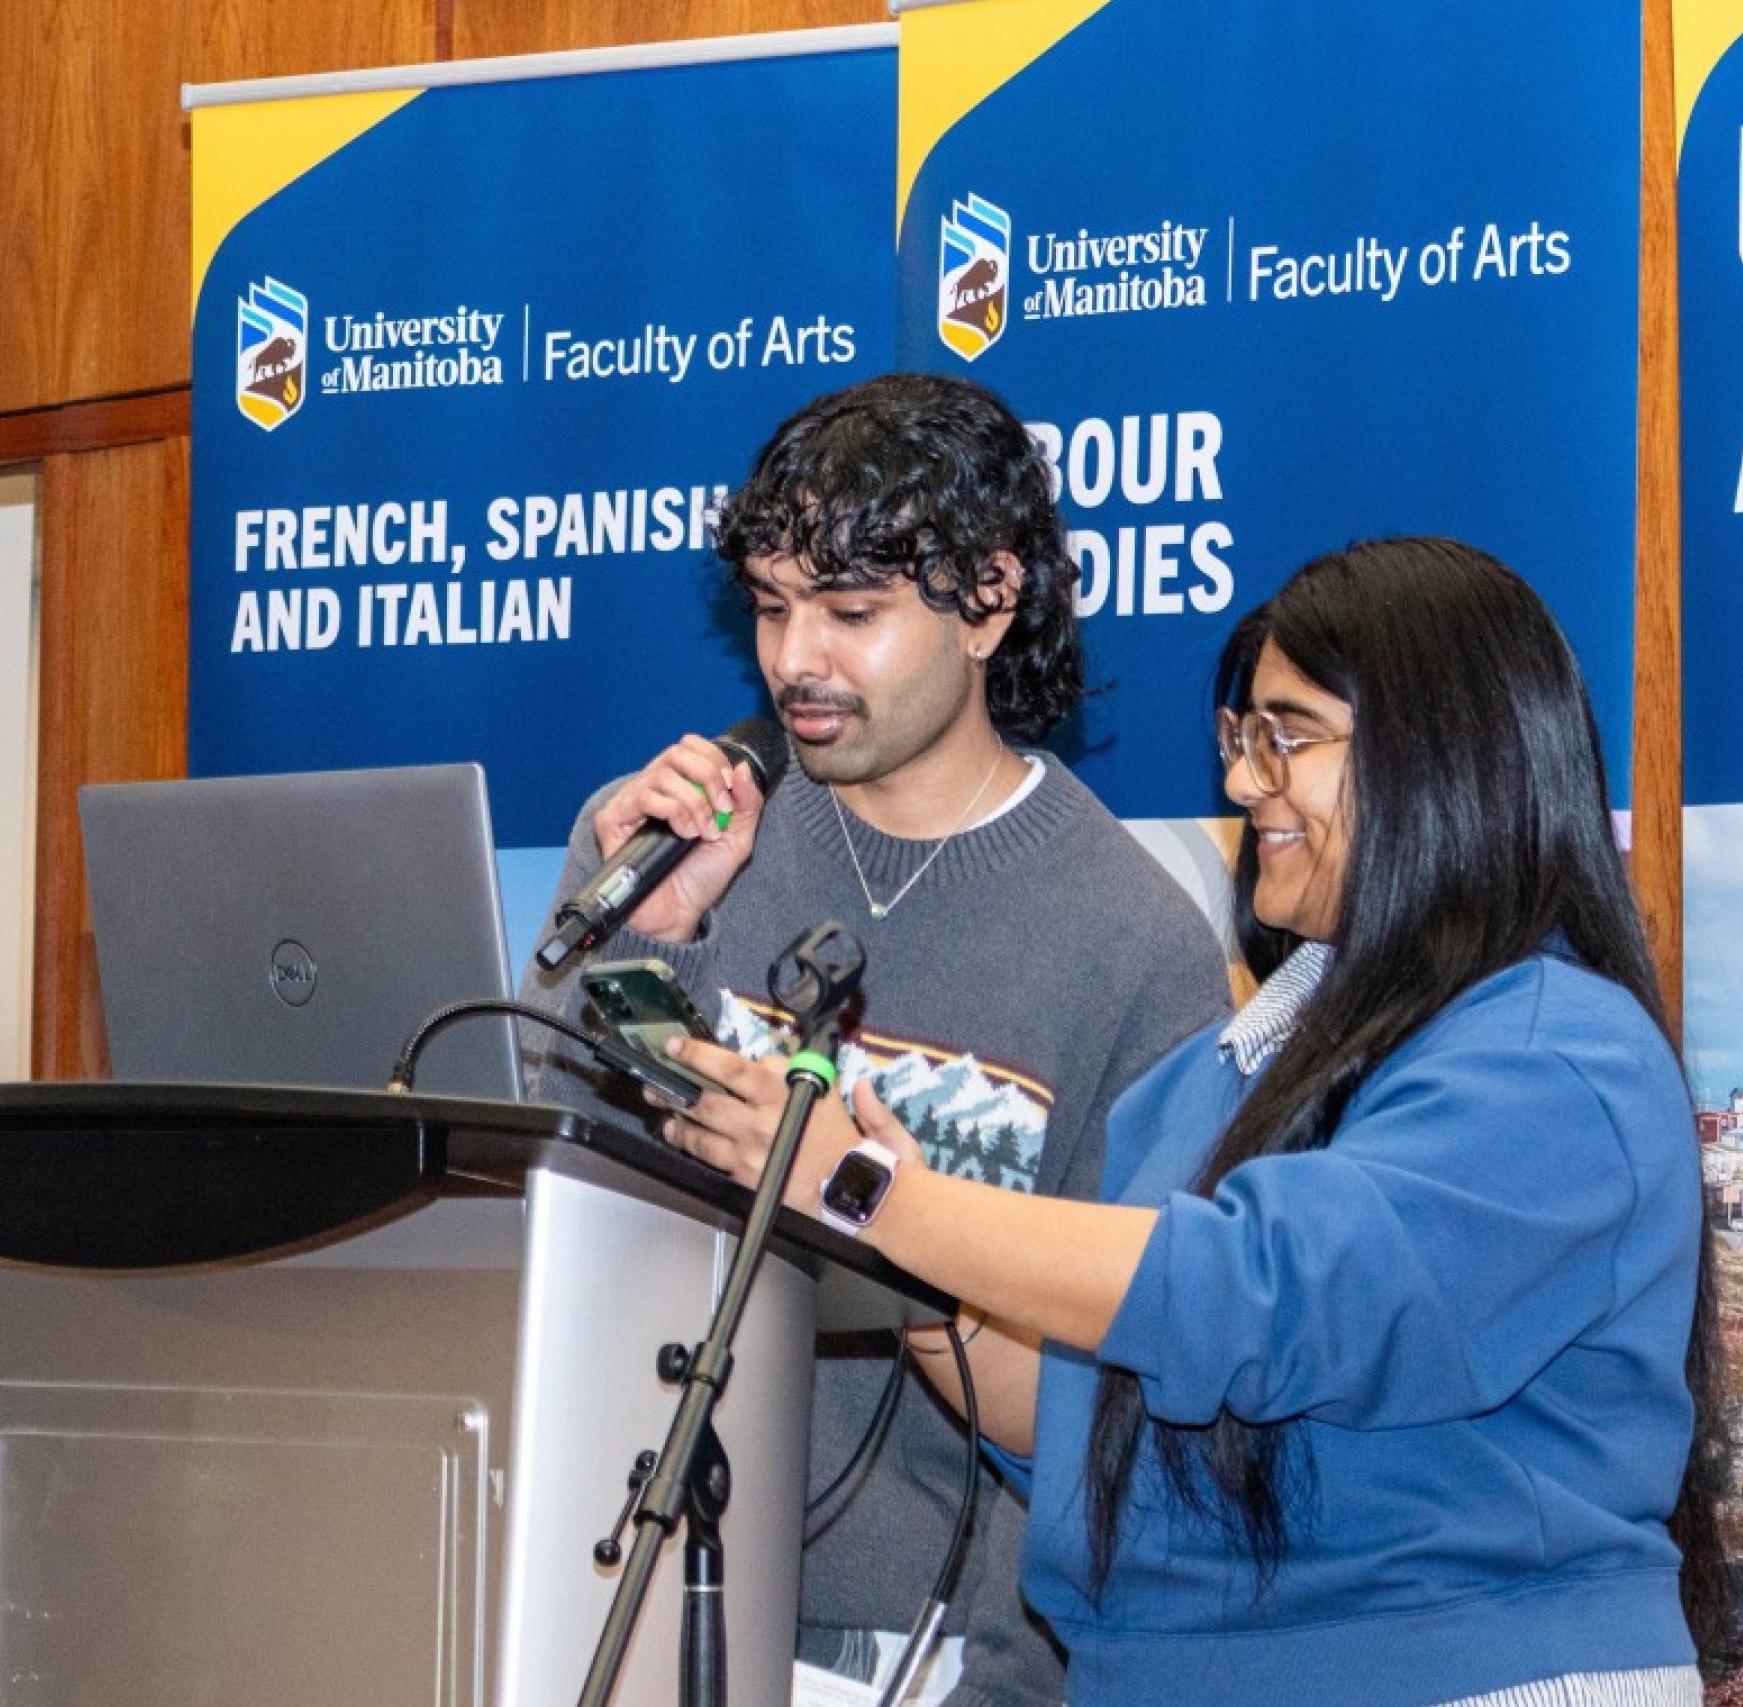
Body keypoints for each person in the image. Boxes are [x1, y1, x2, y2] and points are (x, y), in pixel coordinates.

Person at [665, 536, 1733, 1707]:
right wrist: (918, 1281)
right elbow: (1081, 1419)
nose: (1242, 782)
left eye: (1287, 736)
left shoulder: (1553, 1050)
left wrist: (876, 1193)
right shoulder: (1202, 1082)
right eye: (1242, 738)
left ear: (1442, 754)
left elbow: (1261, 1293)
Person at [517, 372, 1233, 1707]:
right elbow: (556, 1201)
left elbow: (1124, 1388)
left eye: (850, 612)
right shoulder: (676, 836)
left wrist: (1017, 1679)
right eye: (775, 607)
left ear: (989, 601)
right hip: (620, 1574)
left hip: (924, 1645)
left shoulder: (1137, 943)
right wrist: (656, 936)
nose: (797, 658)